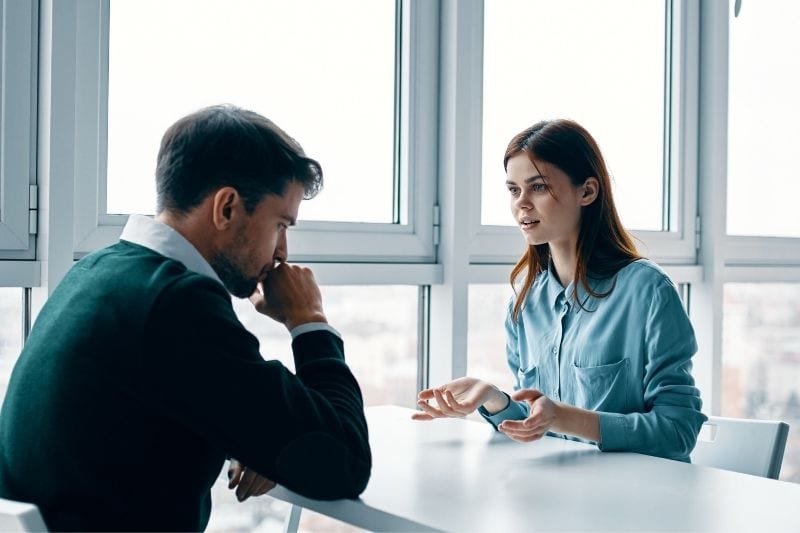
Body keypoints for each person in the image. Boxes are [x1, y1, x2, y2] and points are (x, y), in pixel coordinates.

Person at [0, 105, 371, 531]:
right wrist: (309, 320)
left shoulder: (99, 273)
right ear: (227, 207)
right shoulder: (176, 304)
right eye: (280, 225)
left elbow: (168, 404)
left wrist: (263, 438)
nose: (282, 252)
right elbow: (343, 462)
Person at [413, 119, 706, 461]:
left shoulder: (648, 291)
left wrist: (565, 417)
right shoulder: (524, 305)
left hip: (639, 501)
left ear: (587, 191)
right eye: (513, 189)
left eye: (537, 187)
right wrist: (494, 399)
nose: (521, 203)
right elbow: (537, 426)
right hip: (558, 496)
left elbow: (678, 431)